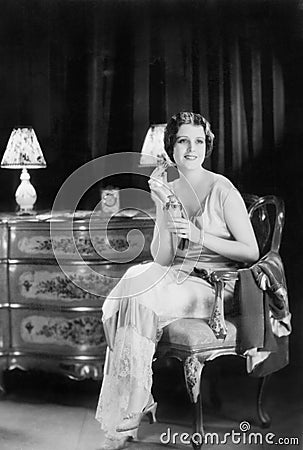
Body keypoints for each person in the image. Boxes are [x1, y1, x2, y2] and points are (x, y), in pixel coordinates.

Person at [95, 112, 259, 449]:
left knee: (140, 294)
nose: (191, 148)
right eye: (183, 140)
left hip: (215, 286)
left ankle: (136, 403)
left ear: (207, 146)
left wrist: (200, 235)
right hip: (178, 277)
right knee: (134, 279)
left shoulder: (221, 187)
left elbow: (250, 251)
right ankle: (135, 399)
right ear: (172, 146)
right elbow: (163, 259)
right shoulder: (169, 187)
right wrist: (159, 205)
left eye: (199, 141)